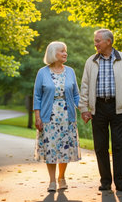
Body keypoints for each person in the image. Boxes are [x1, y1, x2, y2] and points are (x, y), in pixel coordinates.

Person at [79, 29, 122, 192]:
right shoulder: (91, 61)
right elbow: (84, 86)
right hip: (98, 108)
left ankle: (120, 182)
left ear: (108, 42)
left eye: (98, 40)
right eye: (95, 40)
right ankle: (105, 181)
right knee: (100, 146)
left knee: (119, 146)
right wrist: (84, 108)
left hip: (118, 107)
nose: (95, 43)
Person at [33, 41, 81, 192]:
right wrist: (38, 117)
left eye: (65, 51)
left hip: (67, 116)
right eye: (62, 51)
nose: (65, 53)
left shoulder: (71, 71)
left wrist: (85, 109)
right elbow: (37, 96)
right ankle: (52, 181)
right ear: (54, 53)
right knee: (51, 149)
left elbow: (76, 95)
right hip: (49, 117)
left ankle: (62, 177)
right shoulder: (42, 72)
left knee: (64, 149)